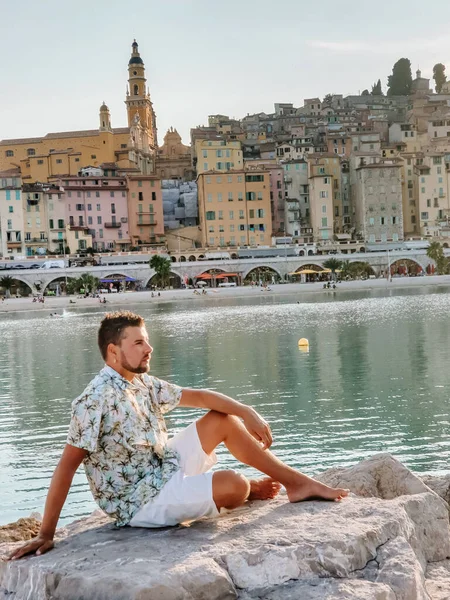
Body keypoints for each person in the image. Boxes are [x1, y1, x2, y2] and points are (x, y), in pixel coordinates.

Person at [8, 311, 347, 561]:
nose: (149, 348)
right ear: (114, 351)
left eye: (147, 340)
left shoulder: (140, 382)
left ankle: (297, 483)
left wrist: (246, 410)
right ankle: (243, 492)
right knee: (236, 484)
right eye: (139, 342)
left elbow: (200, 397)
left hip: (161, 466)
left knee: (222, 420)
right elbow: (66, 468)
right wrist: (46, 534)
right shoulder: (93, 400)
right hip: (139, 502)